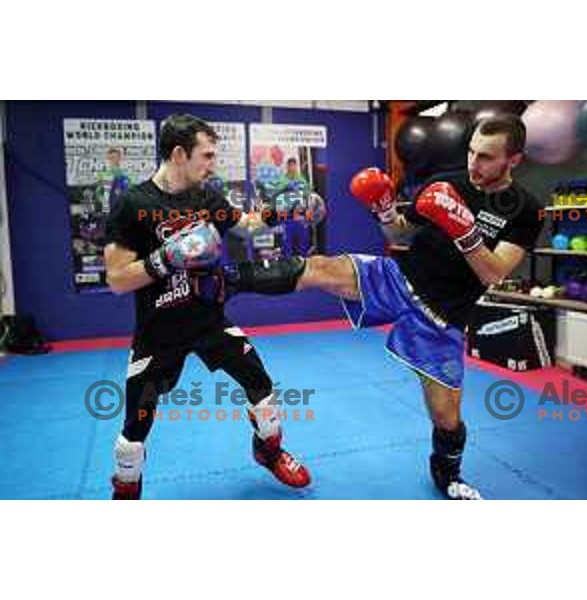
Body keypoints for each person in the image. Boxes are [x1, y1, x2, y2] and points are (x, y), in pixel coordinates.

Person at [210, 114, 543, 500]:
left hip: (442, 317)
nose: (474, 164)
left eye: (486, 157)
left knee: (446, 417)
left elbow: (494, 273)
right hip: (398, 278)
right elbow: (398, 232)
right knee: (321, 267)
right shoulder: (448, 182)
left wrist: (464, 230)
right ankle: (225, 280)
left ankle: (449, 475)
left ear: (513, 161)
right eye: (471, 152)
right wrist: (384, 210)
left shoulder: (525, 210)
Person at [104, 114, 311, 500]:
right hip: (158, 332)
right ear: (179, 153)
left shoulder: (207, 196)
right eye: (207, 155)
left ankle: (269, 452)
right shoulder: (133, 204)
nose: (213, 163)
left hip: (209, 320)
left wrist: (281, 210)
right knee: (135, 430)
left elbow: (245, 224)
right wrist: (166, 259)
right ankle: (126, 490)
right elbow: (116, 279)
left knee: (261, 387)